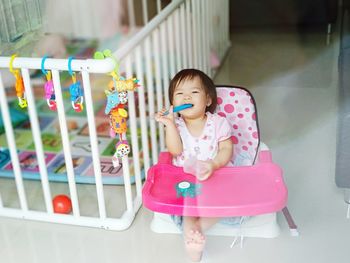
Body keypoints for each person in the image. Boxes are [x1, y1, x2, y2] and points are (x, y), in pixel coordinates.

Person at [155, 69, 233, 262]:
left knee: (224, 203)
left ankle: (197, 229)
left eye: (194, 92)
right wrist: (169, 124)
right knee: (188, 209)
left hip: (215, 176)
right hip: (185, 179)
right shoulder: (177, 125)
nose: (186, 96)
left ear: (208, 100)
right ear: (173, 103)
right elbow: (174, 151)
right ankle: (194, 250)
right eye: (179, 94)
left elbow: (226, 149)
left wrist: (214, 164)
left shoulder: (218, 123)